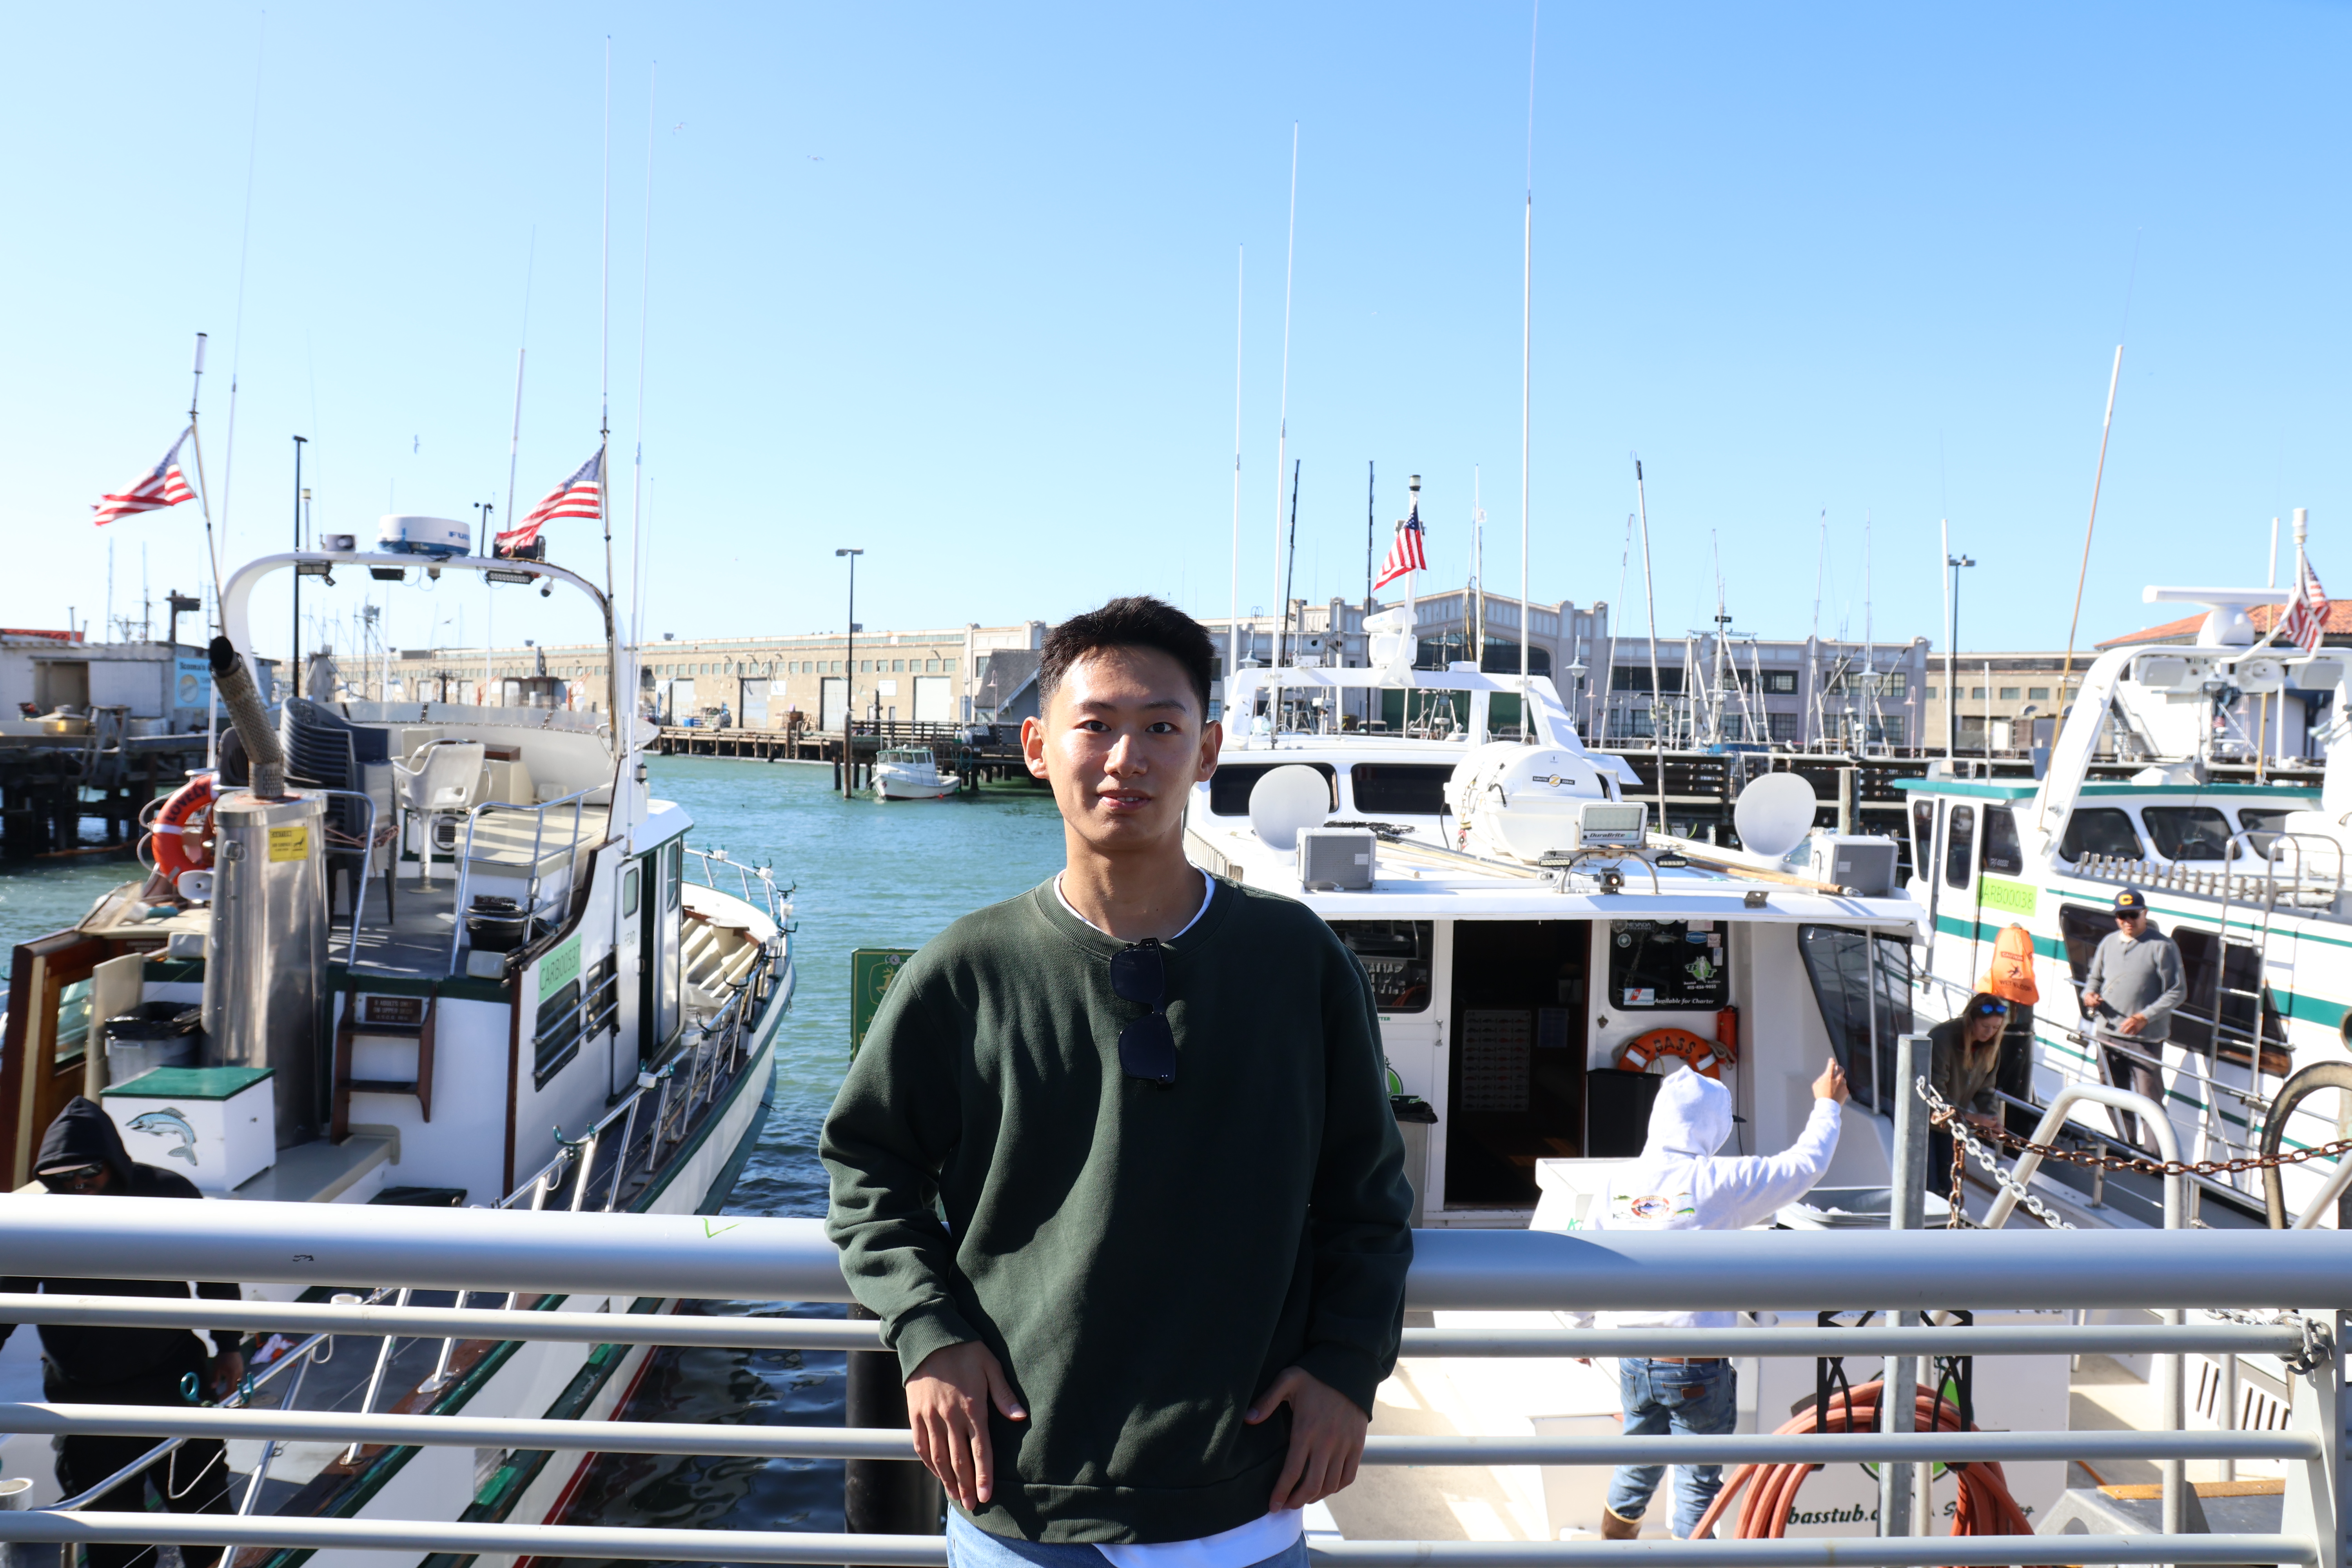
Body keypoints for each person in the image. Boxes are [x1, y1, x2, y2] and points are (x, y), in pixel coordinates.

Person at [823, 595, 1413, 1568]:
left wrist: (1347, 1366)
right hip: (1020, 1494)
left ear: (1209, 748)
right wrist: (927, 1330)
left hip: (1247, 1497)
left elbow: (1368, 1192)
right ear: (1036, 745)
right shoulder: (966, 970)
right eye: (1094, 724)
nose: (1126, 757)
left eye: (1162, 727)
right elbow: (866, 1165)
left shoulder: (1297, 960)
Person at [1576, 1059, 1849, 1541]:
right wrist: (1828, 1104)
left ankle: (1612, 1552)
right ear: (1712, 1127)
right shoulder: (1718, 1183)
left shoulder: (1617, 1184)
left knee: (1636, 1466)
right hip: (1697, 1368)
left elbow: (1585, 1260)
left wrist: (1580, 1329)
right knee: (1699, 1485)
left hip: (1635, 1362)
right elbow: (1805, 1165)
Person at [0, 1098, 243, 1568]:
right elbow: (7, 1300)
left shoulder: (169, 1191)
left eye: (89, 1172)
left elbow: (216, 1271)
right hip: (84, 1398)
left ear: (113, 1160)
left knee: (204, 1505)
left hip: (173, 1378)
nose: (78, 1186)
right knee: (112, 1533)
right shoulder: (42, 1219)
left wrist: (229, 1345)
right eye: (63, 1178)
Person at [2079, 887, 2187, 1149]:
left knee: (2149, 1100)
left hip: (2144, 1039)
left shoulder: (2163, 946)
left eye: (2133, 915)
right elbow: (2093, 979)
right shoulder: (2108, 943)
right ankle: (2126, 1145)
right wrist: (2089, 994)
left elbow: (2178, 991)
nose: (2127, 921)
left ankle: (2153, 1157)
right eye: (2121, 916)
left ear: (2145, 914)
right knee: (2113, 1094)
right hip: (2108, 1035)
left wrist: (2144, 1017)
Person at [1927, 992, 2011, 1185]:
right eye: (1986, 1027)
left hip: (1954, 1127)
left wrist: (1993, 1119)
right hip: (1929, 1124)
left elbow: (1986, 1091)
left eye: (1996, 1028)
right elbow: (1935, 1093)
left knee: (1949, 1185)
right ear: (1972, 1020)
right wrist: (1971, 1118)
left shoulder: (1990, 1048)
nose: (1990, 1033)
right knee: (1929, 1184)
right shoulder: (1943, 1039)